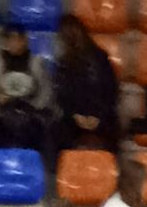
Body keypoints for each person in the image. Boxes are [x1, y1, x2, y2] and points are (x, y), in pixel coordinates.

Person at [51, 14, 122, 164]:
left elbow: (111, 92)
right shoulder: (64, 64)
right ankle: (62, 170)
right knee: (56, 132)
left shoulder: (101, 58)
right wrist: (75, 115)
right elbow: (62, 95)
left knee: (113, 131)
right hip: (74, 117)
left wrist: (98, 116)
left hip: (101, 116)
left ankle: (112, 169)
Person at [0, 25, 55, 155]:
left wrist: (32, 106)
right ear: (5, 42)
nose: (15, 43)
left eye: (18, 39)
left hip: (30, 112)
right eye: (10, 39)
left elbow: (46, 93)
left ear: (25, 40)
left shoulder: (36, 63)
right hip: (3, 113)